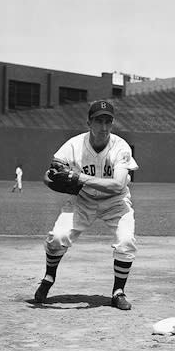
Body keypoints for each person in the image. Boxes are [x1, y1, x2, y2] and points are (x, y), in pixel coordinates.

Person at [34, 100, 139, 310]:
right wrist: (54, 179)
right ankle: (48, 277)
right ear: (88, 122)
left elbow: (118, 185)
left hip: (115, 202)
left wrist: (77, 177)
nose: (104, 127)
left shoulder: (120, 147)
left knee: (126, 241)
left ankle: (118, 292)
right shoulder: (73, 145)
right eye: (99, 121)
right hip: (83, 200)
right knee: (57, 238)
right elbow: (49, 175)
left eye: (108, 121)